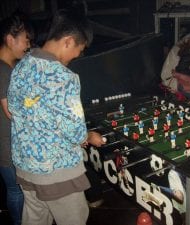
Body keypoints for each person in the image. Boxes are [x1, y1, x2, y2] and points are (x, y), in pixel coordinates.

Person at [7, 9, 105, 225]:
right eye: (79, 50)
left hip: (25, 167)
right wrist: (89, 134)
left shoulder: (21, 65)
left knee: (34, 220)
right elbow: (75, 131)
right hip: (57, 173)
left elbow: (14, 108)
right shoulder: (65, 78)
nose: (77, 56)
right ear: (68, 41)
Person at [0, 12, 32, 225]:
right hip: (7, 145)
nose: (28, 45)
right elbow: (12, 110)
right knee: (16, 191)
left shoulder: (10, 68)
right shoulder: (2, 70)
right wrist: (36, 98)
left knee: (17, 190)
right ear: (11, 39)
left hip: (11, 142)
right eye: (25, 39)